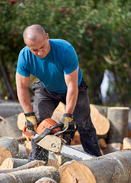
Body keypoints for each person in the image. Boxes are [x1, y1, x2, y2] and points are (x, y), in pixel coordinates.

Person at [16, 24, 102, 163]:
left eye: (42, 47)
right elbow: (21, 87)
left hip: (74, 89)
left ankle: (97, 162)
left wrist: (68, 115)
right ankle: (37, 165)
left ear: (47, 37)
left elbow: (72, 86)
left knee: (84, 124)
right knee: (39, 124)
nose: (39, 53)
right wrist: (29, 115)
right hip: (46, 89)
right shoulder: (24, 56)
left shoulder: (65, 50)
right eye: (34, 50)